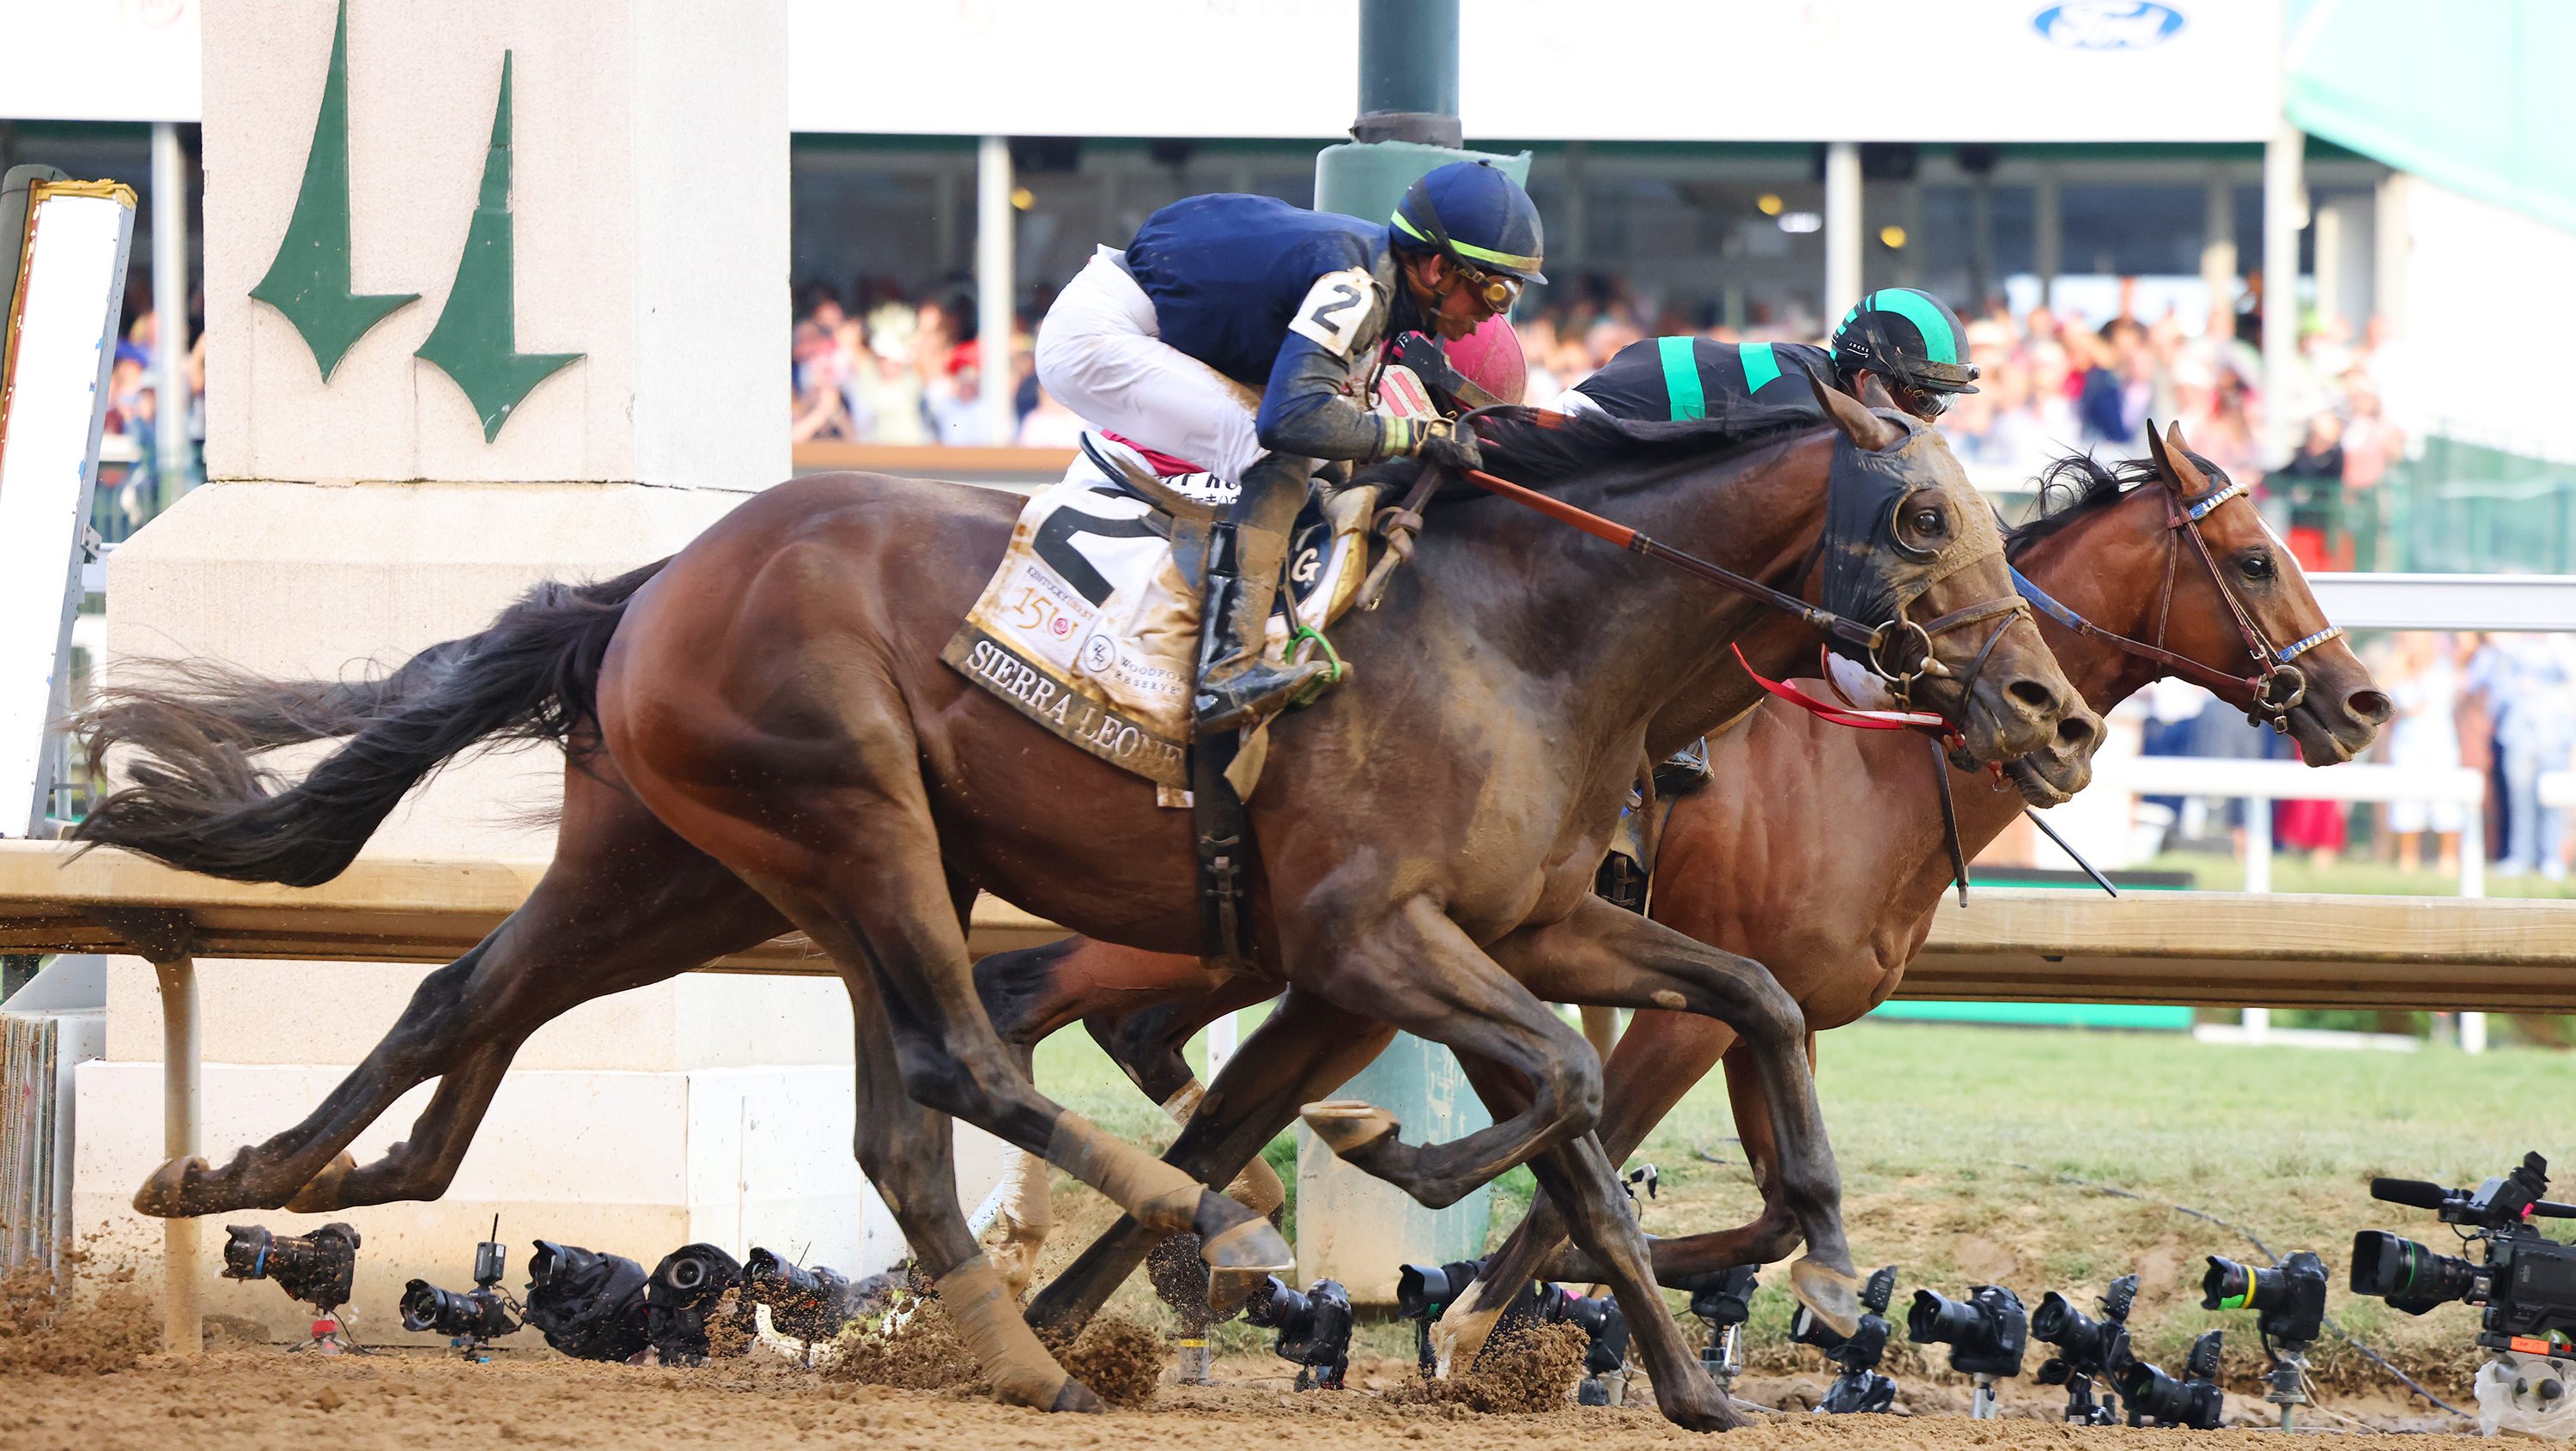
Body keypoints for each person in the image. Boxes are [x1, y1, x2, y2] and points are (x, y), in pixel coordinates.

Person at [1034, 161, 1543, 732]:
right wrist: (1420, 434)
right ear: (1438, 267)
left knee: (1318, 456)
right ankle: (1225, 674)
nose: (1485, 322)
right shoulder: (1357, 288)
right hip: (1100, 336)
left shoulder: (1374, 279)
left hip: (1138, 309)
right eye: (1492, 292)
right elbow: (1291, 421)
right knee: (1278, 454)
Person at [1559, 288, 1982, 429]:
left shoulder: (1817, 384)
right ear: (1867, 380)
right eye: (1926, 401)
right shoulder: (1803, 412)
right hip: (1582, 426)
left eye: (1947, 402)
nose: (1931, 420)